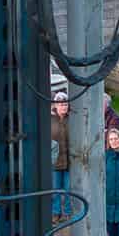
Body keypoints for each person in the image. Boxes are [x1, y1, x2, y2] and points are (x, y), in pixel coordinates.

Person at [50, 93, 70, 221]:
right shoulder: (50, 120)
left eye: (65, 104)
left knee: (69, 189)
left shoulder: (72, 118)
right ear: (55, 106)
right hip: (55, 161)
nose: (63, 107)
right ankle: (56, 213)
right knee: (55, 189)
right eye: (61, 104)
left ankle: (68, 212)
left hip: (69, 160)